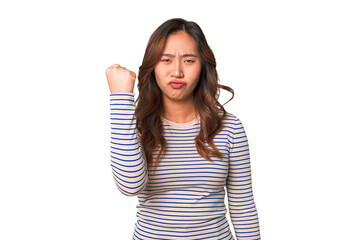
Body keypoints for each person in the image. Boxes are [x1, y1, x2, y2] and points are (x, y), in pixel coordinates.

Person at [105, 18, 261, 240]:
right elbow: (130, 186)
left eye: (188, 60)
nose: (177, 71)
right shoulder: (135, 125)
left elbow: (242, 205)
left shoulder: (230, 127)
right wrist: (121, 98)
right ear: (153, 66)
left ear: (202, 66)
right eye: (166, 59)